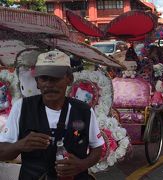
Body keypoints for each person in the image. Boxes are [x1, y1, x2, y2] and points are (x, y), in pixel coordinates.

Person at [0, 50, 104, 179]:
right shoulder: (21, 107)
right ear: (37, 82)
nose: (49, 84)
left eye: (56, 78)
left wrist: (81, 165)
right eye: (44, 78)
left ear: (69, 79)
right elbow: (3, 152)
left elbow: (97, 148)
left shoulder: (84, 111)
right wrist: (20, 145)